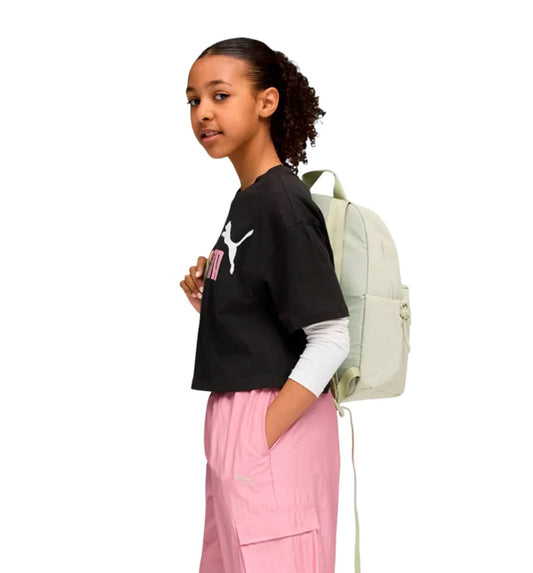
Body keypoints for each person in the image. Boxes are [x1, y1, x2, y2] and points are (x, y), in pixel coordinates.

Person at [180, 37, 350, 573]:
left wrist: (261, 431)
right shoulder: (249, 199)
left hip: (273, 423)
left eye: (220, 95)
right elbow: (270, 325)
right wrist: (213, 301)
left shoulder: (282, 203)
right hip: (240, 418)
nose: (203, 112)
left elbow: (331, 337)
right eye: (193, 100)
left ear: (266, 102)